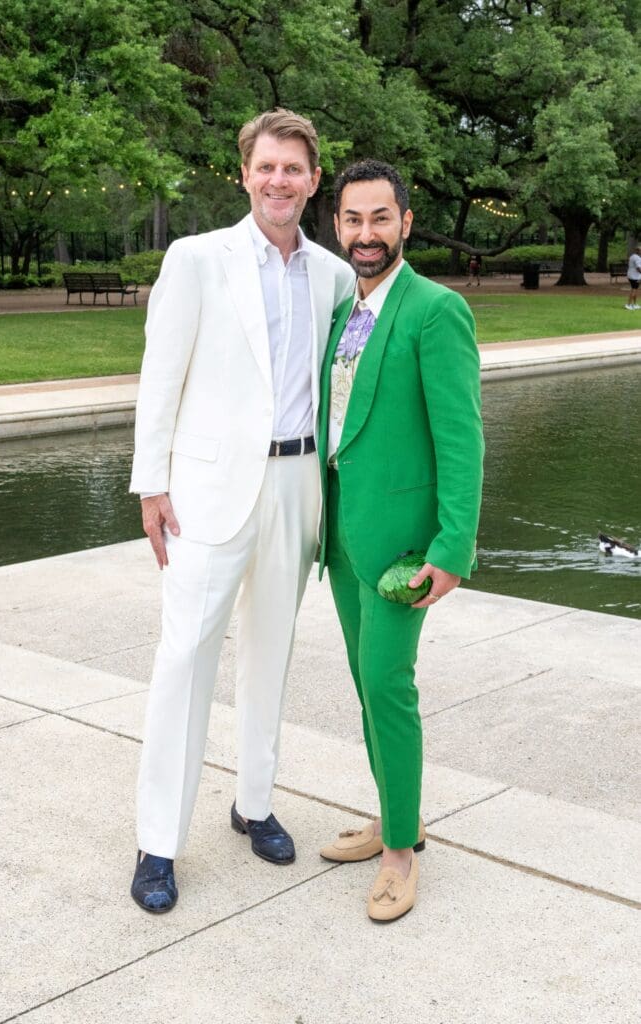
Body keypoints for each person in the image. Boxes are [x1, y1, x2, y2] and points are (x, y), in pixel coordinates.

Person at [128, 109, 354, 913]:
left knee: (271, 653)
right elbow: (161, 376)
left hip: (297, 489)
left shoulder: (331, 276)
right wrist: (150, 484)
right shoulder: (196, 260)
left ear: (313, 180)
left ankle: (253, 803)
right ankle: (158, 841)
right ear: (245, 174)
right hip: (205, 493)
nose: (279, 180)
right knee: (184, 658)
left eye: (294, 168)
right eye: (266, 167)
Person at [316, 160, 483, 922]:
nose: (365, 234)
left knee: (388, 686)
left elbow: (461, 437)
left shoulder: (434, 308)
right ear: (338, 225)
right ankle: (393, 816)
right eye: (352, 220)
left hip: (402, 548)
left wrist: (452, 548)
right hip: (342, 538)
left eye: (379, 218)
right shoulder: (341, 312)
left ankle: (398, 855)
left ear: (405, 223)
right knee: (364, 682)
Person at [625, 245, 641, 309]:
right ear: (638, 251)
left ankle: (634, 304)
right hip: (635, 276)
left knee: (635, 289)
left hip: (631, 275)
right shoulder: (638, 258)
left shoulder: (632, 256)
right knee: (634, 290)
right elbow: (638, 268)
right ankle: (628, 304)